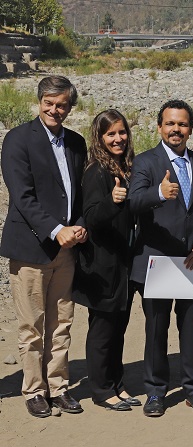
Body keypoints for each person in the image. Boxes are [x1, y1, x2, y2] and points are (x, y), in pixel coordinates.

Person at [0, 76, 87, 418]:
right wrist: (56, 230)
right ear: (39, 102)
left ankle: (59, 387)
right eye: (49, 103)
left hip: (67, 251)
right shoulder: (19, 139)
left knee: (62, 323)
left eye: (62, 104)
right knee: (32, 326)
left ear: (70, 106)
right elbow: (22, 197)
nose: (55, 110)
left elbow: (79, 192)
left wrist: (79, 226)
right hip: (32, 248)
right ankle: (35, 390)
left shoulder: (76, 143)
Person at [129, 100, 193, 417]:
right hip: (159, 259)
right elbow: (133, 202)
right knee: (156, 329)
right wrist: (159, 194)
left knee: (192, 328)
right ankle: (155, 391)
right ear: (159, 126)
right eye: (170, 124)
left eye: (182, 124)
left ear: (190, 128)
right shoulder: (146, 162)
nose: (176, 129)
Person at [72, 110, 138, 412]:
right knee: (102, 330)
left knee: (118, 328)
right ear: (99, 138)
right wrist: (113, 201)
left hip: (121, 262)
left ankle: (117, 384)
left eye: (122, 132)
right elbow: (94, 216)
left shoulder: (124, 165)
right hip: (102, 264)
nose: (118, 138)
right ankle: (101, 389)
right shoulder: (96, 170)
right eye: (110, 134)